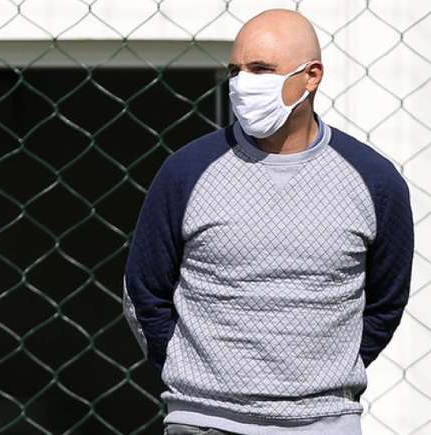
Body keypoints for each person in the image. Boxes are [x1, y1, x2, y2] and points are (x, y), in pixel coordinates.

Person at [123, 9, 413, 435]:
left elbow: (386, 302)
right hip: (201, 421)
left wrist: (323, 381)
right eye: (235, 71)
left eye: (261, 69)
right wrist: (197, 377)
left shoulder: (375, 181)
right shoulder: (185, 171)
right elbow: (143, 292)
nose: (242, 85)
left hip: (323, 424)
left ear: (311, 76)